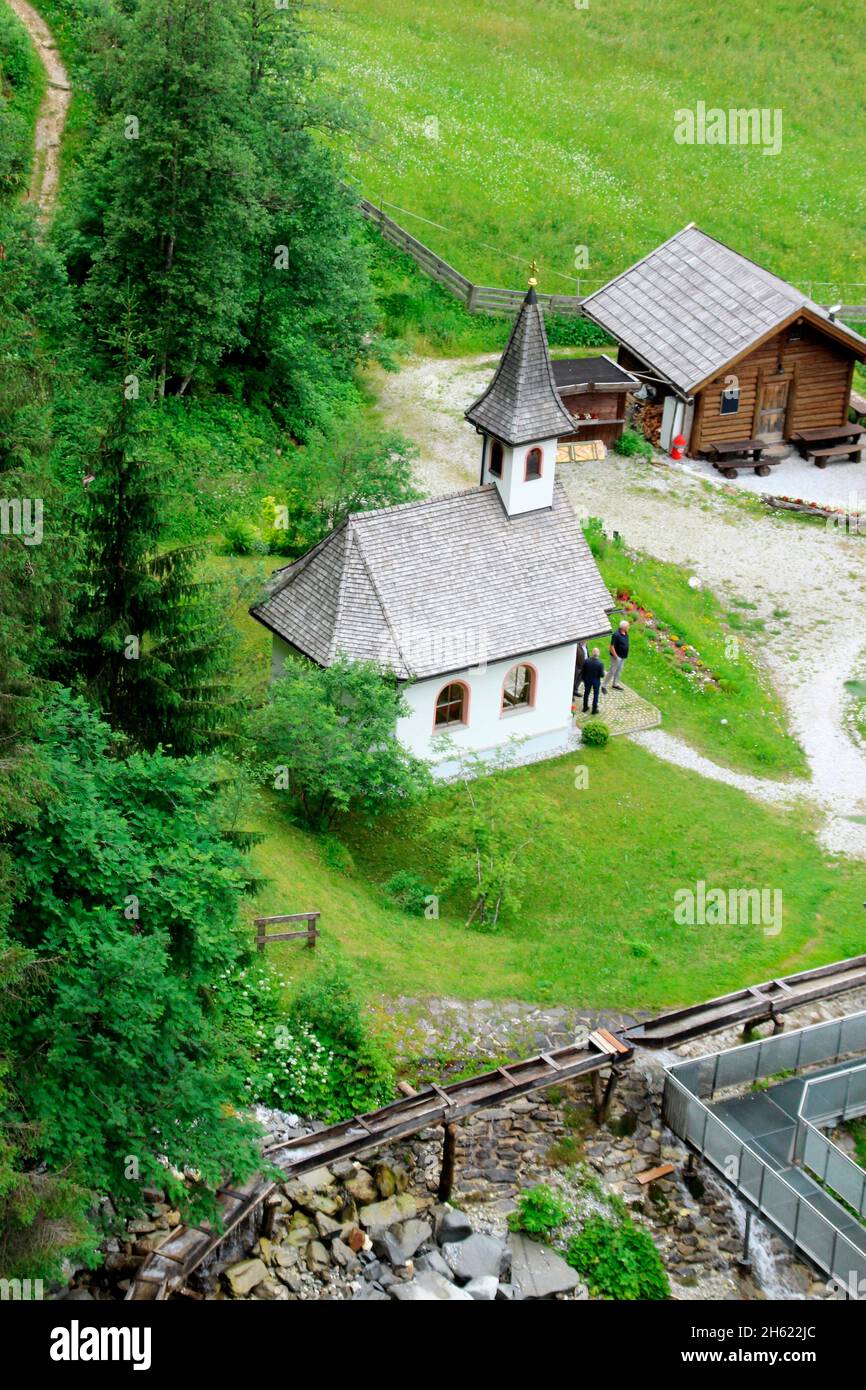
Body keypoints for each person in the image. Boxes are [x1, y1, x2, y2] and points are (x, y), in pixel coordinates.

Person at [603, 620, 630, 692]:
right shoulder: (616, 635)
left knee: (619, 671)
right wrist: (615, 656)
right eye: (627, 626)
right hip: (616, 657)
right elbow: (611, 646)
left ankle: (615, 684)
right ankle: (604, 685)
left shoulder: (626, 633)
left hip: (623, 656)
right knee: (612, 671)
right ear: (623, 627)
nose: (628, 628)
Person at [581, 647, 604, 715]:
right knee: (596, 695)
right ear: (598, 654)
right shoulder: (600, 663)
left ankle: (585, 707)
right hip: (596, 681)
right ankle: (594, 709)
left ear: (592, 653)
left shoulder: (586, 661)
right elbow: (602, 675)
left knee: (586, 693)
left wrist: (583, 679)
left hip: (587, 680)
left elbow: (583, 671)